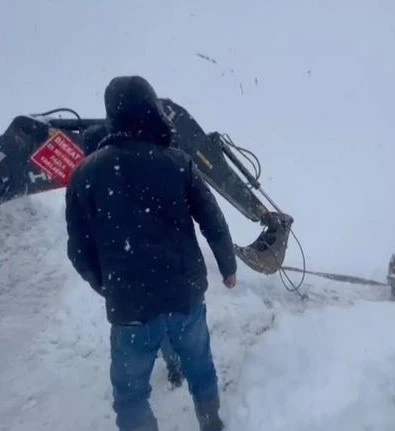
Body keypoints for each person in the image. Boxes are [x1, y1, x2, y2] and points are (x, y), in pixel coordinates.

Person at [65, 75, 237, 431]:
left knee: (130, 397)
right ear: (151, 110)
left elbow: (79, 251)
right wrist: (228, 267)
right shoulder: (178, 163)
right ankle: (211, 424)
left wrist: (109, 285)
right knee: (200, 366)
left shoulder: (85, 175)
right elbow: (213, 222)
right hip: (185, 297)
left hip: (130, 310)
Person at [81, 123, 184, 389]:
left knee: (135, 341)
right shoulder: (133, 172)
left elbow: (82, 249)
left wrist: (102, 282)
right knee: (163, 325)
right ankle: (173, 366)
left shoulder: (92, 186)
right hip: (155, 279)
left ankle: (140, 385)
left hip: (125, 291)